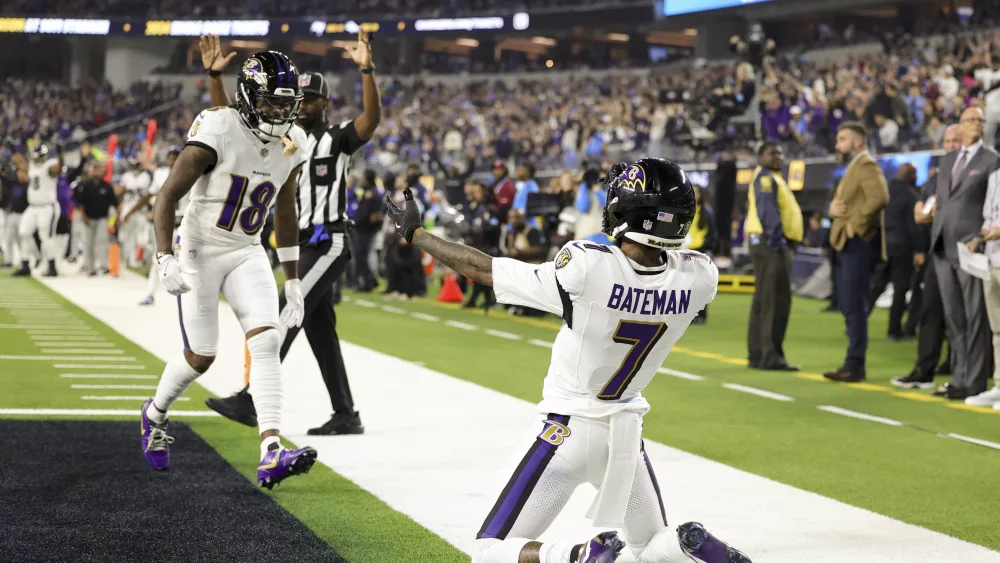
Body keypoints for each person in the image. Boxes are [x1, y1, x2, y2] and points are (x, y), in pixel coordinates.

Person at [386, 157, 751, 563]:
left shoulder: (588, 266)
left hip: (565, 431)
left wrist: (417, 234)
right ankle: (687, 544)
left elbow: (485, 269)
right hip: (626, 435)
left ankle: (575, 556)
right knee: (649, 548)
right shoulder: (700, 278)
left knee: (488, 551)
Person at [142, 49, 316, 489]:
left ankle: (272, 450)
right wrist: (164, 255)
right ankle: (155, 414)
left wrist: (293, 278)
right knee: (201, 357)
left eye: (286, 103)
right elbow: (167, 197)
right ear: (247, 97)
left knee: (267, 337)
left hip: (247, 248)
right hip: (201, 246)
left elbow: (286, 210)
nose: (280, 112)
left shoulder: (294, 140)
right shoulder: (218, 126)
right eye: (270, 102)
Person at [202, 31, 379, 436]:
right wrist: (216, 79)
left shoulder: (337, 138)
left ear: (324, 104)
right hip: (303, 242)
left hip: (330, 239)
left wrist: (366, 69)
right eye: (301, 100)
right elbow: (232, 126)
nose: (303, 107)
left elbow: (371, 122)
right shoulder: (286, 138)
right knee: (320, 331)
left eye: (312, 100)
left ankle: (250, 398)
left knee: (284, 309)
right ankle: (346, 414)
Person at [929, 107, 999, 400]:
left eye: (981, 121)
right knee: (953, 316)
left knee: (975, 317)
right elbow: (943, 202)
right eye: (972, 120)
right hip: (943, 246)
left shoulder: (992, 160)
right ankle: (957, 378)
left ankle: (975, 381)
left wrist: (979, 238)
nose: (977, 125)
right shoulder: (947, 161)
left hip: (972, 247)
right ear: (959, 125)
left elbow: (991, 203)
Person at [892, 124, 961, 389]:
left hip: (965, 253)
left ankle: (962, 374)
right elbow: (923, 204)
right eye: (947, 140)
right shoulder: (938, 174)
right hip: (938, 251)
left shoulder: (977, 171)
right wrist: (922, 208)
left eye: (956, 140)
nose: (951, 144)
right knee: (930, 311)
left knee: (960, 317)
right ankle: (923, 370)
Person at [823, 122, 889, 383]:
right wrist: (833, 211)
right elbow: (848, 203)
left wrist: (855, 224)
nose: (838, 145)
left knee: (855, 305)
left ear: (858, 142)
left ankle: (855, 364)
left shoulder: (867, 165)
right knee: (849, 304)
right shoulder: (854, 167)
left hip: (859, 244)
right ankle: (852, 361)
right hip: (846, 244)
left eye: (842, 139)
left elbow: (880, 197)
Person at [746, 142, 803, 371]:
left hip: (764, 244)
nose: (778, 156)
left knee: (763, 300)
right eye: (772, 153)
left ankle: (758, 354)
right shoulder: (767, 179)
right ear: (761, 156)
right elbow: (768, 213)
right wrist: (778, 244)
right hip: (772, 246)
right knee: (775, 301)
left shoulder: (769, 177)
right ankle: (771, 356)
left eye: (780, 153)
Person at [869, 163, 920, 341]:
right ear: (911, 176)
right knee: (900, 288)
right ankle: (894, 330)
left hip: (884, 244)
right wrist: (920, 249)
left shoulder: (886, 192)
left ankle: (858, 322)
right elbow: (914, 226)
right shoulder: (912, 196)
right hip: (903, 247)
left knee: (878, 284)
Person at [138, 147, 184, 304]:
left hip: (183, 224)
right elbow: (151, 195)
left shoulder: (191, 172)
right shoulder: (160, 174)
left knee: (186, 262)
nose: (172, 161)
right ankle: (150, 294)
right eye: (170, 158)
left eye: (175, 158)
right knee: (158, 258)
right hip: (166, 224)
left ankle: (187, 297)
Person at [14, 144, 62, 277]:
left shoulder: (50, 165)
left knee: (46, 237)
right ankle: (25, 264)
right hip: (33, 207)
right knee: (24, 232)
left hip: (47, 207)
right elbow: (21, 165)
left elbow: (56, 170)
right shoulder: (32, 166)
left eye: (36, 156)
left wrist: (61, 155)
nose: (34, 159)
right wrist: (13, 150)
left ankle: (52, 267)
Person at [73, 160, 118, 276]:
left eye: (101, 169)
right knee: (88, 243)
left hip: (102, 218)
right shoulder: (86, 185)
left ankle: (103, 265)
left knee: (102, 241)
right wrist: (84, 216)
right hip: (89, 218)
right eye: (97, 169)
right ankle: (90, 267)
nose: (99, 171)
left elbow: (114, 202)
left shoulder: (107, 186)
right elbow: (80, 203)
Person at [686, 186, 718, 325]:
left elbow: (712, 233)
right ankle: (689, 315)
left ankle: (701, 315)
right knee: (687, 285)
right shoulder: (684, 211)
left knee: (701, 285)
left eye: (696, 193)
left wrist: (708, 249)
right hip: (685, 252)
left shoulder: (706, 212)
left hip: (701, 252)